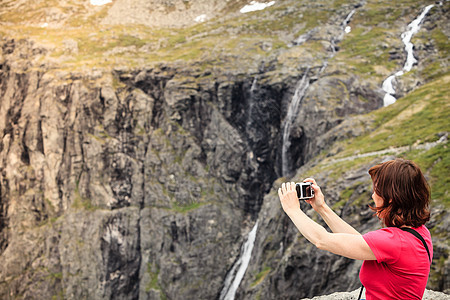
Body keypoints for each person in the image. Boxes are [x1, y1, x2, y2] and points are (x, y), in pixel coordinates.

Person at [278, 158, 432, 300]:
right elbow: (361, 243)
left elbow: (322, 240)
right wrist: (321, 208)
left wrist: (293, 210)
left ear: (391, 197)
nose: (372, 196)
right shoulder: (420, 232)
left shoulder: (395, 242)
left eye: (376, 190)